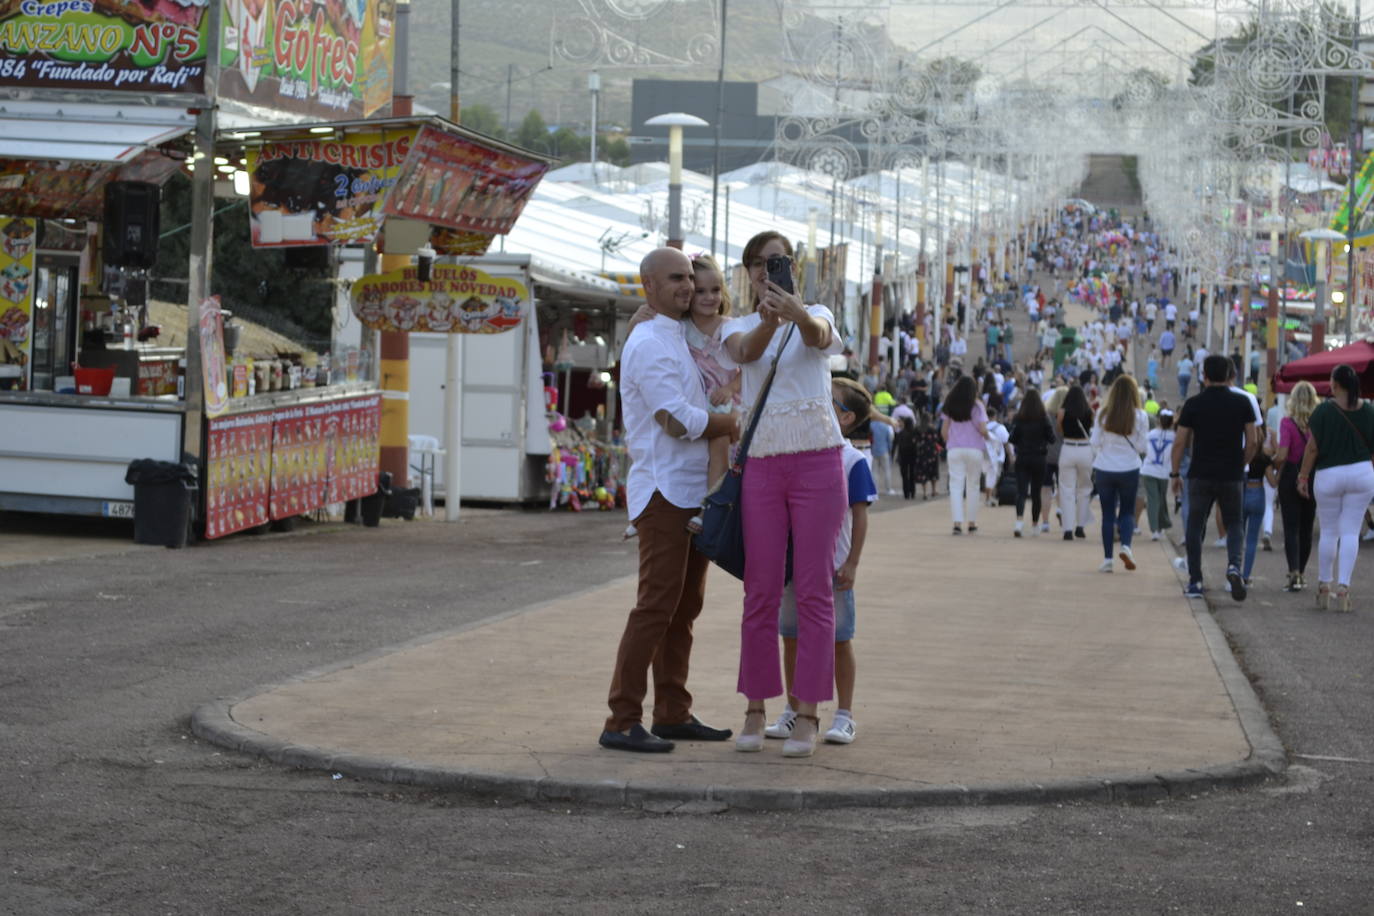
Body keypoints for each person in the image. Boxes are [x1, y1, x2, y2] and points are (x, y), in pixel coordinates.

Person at [600, 248, 739, 753]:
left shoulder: (672, 335)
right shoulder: (651, 343)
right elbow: (672, 418)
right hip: (664, 491)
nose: (687, 286)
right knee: (656, 605)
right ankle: (621, 719)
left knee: (683, 607)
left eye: (690, 277)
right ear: (649, 286)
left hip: (690, 488)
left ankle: (672, 711)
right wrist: (728, 424)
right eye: (676, 278)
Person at [723, 230, 846, 758]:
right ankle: (755, 709)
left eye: (777, 261)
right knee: (761, 589)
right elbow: (745, 353)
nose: (766, 270)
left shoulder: (814, 311)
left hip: (818, 458)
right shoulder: (740, 325)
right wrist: (772, 319)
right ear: (747, 272)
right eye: (758, 263)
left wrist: (796, 314)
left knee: (816, 589)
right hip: (764, 465)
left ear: (793, 266)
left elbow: (821, 338)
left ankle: (809, 713)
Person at [765, 377, 879, 746]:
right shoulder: (794, 452)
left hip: (832, 567)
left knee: (838, 640)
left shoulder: (852, 460)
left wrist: (853, 562)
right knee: (792, 637)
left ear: (846, 419)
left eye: (828, 401)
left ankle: (844, 714)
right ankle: (793, 708)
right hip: (793, 564)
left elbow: (859, 515)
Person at [1171, 355, 1259, 601]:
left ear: (1204, 376)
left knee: (1195, 525)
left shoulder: (1193, 404)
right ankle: (1234, 566)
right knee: (1234, 523)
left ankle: (1196, 580)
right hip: (1231, 474)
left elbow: (1179, 442)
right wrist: (1241, 463)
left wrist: (1175, 473)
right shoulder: (1243, 403)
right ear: (1230, 375)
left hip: (1200, 474)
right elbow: (1253, 441)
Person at [1296, 364, 1374, 612]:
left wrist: (1303, 476)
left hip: (1329, 474)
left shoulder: (1323, 411)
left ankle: (1324, 587)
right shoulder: (1369, 411)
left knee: (1329, 532)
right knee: (1351, 532)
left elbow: (1312, 449)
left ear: (1335, 384)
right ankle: (1344, 589)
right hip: (1361, 473)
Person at [1091, 374, 1148, 572]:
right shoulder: (1140, 416)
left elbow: (1095, 442)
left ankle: (1108, 559)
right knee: (1127, 511)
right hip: (1129, 468)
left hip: (1105, 468)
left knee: (1107, 514)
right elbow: (1142, 447)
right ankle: (1126, 546)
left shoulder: (1103, 414)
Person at [1274, 381, 1318, 591]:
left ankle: (1294, 573)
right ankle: (1302, 571)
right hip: (1313, 475)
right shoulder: (1318, 422)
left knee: (1291, 528)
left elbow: (1282, 454)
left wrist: (1273, 464)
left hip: (1291, 473)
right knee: (1307, 527)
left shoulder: (1287, 423)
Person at [940, 375, 988, 535]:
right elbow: (982, 429)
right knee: (973, 485)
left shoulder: (949, 404)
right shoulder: (977, 406)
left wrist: (950, 442)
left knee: (956, 486)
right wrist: (990, 437)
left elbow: (944, 431)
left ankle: (957, 523)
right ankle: (972, 522)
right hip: (974, 449)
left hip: (955, 449)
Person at [1008, 387, 1055, 537]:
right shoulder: (1043, 417)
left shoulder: (1018, 418)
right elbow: (1052, 438)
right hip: (1039, 458)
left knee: (1021, 491)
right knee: (1036, 492)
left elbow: (1012, 438)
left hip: (1023, 456)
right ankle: (1035, 524)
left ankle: (1019, 522)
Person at [1057, 384, 1095, 541]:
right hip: (1085, 450)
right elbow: (1092, 427)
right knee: (1084, 489)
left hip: (1068, 448)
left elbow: (1060, 430)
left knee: (1066, 490)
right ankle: (1080, 526)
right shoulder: (1089, 411)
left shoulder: (1062, 411)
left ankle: (1067, 529)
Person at [1240, 434, 1276, 586]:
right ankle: (1246, 576)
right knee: (1252, 540)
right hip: (1258, 493)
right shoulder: (1264, 459)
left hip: (1242, 494)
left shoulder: (1241, 455)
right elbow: (1273, 483)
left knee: (1237, 537)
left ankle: (1233, 570)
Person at [1140, 408, 1176, 540]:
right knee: (1160, 499)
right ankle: (1158, 528)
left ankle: (1156, 528)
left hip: (1149, 469)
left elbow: (1143, 449)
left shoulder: (1150, 434)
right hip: (1164, 472)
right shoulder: (1174, 436)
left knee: (1153, 499)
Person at [869, 408, 897, 496]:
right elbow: (889, 439)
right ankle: (888, 489)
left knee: (874, 471)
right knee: (887, 470)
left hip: (873, 450)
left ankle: (875, 490)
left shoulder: (871, 425)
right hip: (884, 450)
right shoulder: (885, 426)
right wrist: (890, 449)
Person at [895, 414, 919, 500]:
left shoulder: (901, 433)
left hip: (903, 456)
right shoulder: (915, 432)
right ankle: (912, 492)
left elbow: (899, 445)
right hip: (913, 455)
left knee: (904, 475)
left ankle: (906, 493)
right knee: (912, 474)